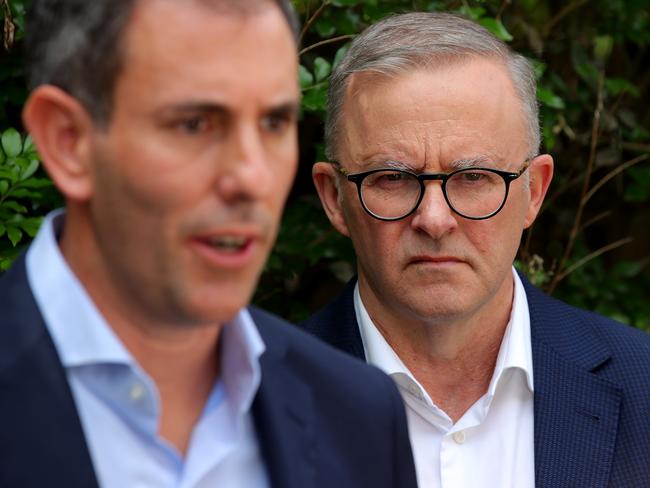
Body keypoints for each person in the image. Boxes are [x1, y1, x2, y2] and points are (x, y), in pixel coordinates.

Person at [0, 1, 419, 487]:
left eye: (273, 124)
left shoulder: (358, 415)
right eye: (195, 124)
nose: (252, 177)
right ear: (67, 140)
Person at [303, 11, 650, 488]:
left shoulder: (644, 389)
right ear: (334, 198)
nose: (434, 219)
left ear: (533, 191)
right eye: (392, 178)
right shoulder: (241, 407)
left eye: (472, 178)